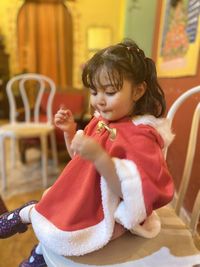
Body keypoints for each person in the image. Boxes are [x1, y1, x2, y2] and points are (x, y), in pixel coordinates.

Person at [0, 39, 174, 267]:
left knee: (61, 230)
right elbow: (79, 160)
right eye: (93, 91)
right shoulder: (102, 120)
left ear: (138, 91)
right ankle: (33, 232)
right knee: (56, 212)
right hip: (83, 194)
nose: (99, 100)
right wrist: (70, 132)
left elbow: (132, 195)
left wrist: (100, 158)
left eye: (110, 92)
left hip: (107, 212)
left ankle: (29, 221)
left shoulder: (141, 137)